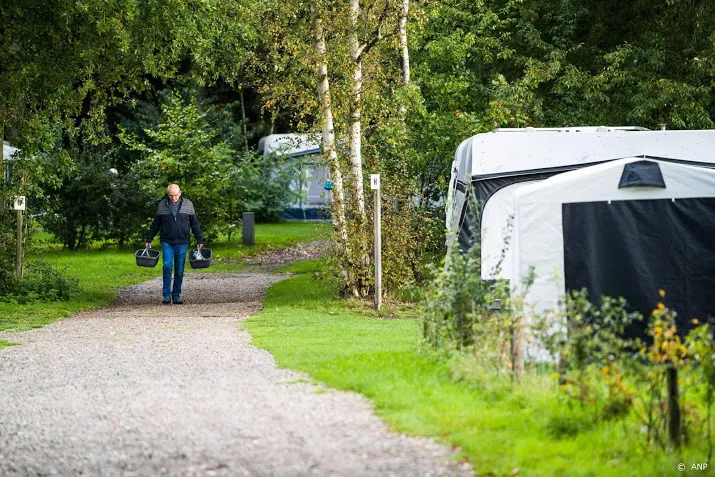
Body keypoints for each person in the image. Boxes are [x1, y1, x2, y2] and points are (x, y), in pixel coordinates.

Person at [145, 184, 204, 305]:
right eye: (171, 195)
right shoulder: (162, 205)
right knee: (167, 266)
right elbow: (155, 224)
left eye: (175, 195)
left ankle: (176, 295)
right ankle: (166, 295)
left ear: (180, 193)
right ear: (168, 195)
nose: (173, 198)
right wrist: (149, 238)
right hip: (167, 241)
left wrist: (199, 239)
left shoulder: (188, 205)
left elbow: (194, 224)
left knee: (179, 269)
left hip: (182, 242)